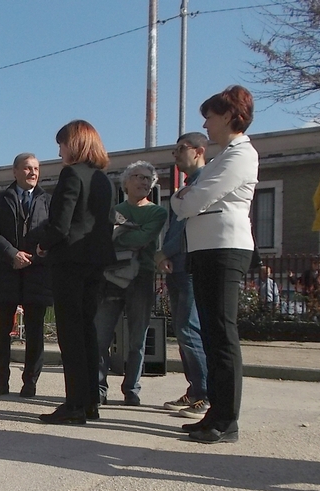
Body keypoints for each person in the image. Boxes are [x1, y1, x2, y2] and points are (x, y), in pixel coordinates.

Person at [171, 85, 258, 443]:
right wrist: (184, 197)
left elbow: (191, 203)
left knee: (222, 335)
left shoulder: (241, 154)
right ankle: (214, 412)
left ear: (228, 116)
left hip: (226, 247)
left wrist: (184, 198)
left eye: (209, 116)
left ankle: (227, 420)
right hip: (205, 249)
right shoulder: (222, 156)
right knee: (210, 333)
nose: (205, 123)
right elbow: (186, 197)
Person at [36, 120, 115, 425]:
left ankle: (74, 405)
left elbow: (60, 224)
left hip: (70, 262)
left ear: (75, 143)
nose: (59, 150)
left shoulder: (72, 174)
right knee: (88, 331)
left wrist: (41, 244)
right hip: (97, 261)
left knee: (71, 334)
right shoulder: (104, 180)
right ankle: (91, 401)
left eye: (62, 143)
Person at [94, 161, 167, 407]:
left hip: (141, 277)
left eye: (149, 178)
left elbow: (143, 237)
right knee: (100, 337)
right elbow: (105, 241)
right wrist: (124, 235)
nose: (144, 182)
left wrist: (121, 233)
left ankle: (132, 389)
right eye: (138, 176)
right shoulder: (113, 210)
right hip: (111, 278)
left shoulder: (157, 212)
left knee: (138, 339)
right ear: (126, 182)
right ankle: (98, 387)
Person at [0, 152, 53, 398]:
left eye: (36, 168)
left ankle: (30, 382)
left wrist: (35, 253)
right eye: (27, 168)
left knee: (35, 331)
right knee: (2, 331)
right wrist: (12, 254)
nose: (32, 173)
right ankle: (0, 381)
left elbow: (53, 231)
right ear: (15, 172)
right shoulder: (0, 199)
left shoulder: (48, 201)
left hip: (37, 273)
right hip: (6, 271)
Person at [156, 132, 210, 419]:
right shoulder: (187, 186)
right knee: (183, 331)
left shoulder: (205, 183)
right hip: (177, 266)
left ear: (199, 151)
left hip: (188, 265)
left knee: (190, 330)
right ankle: (194, 390)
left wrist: (165, 252)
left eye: (180, 149)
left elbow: (186, 229)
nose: (175, 155)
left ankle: (204, 394)